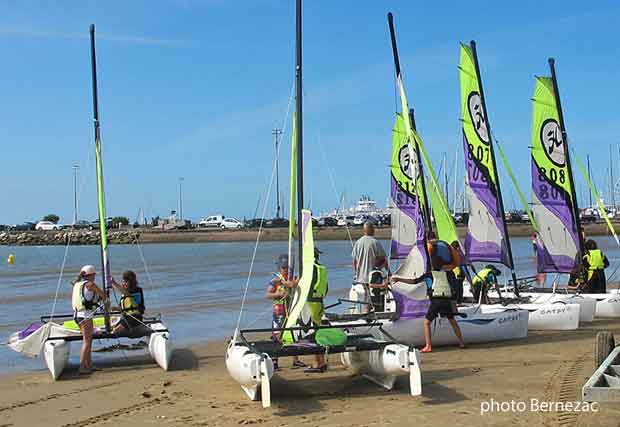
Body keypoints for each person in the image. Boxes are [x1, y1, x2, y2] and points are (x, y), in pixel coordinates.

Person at [391, 241, 465, 353]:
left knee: (426, 322)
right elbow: (453, 284)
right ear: (442, 265)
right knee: (452, 321)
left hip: (436, 301)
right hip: (446, 300)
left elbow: (414, 281)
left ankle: (428, 346)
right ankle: (461, 342)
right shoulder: (447, 273)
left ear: (432, 265)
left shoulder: (430, 274)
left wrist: (399, 279)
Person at [266, 254, 305, 370]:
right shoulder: (275, 280)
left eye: (287, 268)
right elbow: (268, 294)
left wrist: (291, 282)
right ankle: (275, 362)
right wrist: (278, 294)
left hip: (291, 309)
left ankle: (296, 360)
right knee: (277, 335)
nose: (285, 270)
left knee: (293, 333)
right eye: (283, 268)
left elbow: (294, 284)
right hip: (279, 311)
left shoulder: (292, 277)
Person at [71, 265, 108, 374]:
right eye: (94, 275)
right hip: (85, 316)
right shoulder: (90, 284)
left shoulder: (76, 284)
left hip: (77, 316)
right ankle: (82, 367)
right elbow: (104, 296)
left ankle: (89, 365)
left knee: (88, 341)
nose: (94, 277)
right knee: (87, 342)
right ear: (91, 275)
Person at [351, 222, 388, 313]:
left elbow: (354, 262)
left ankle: (366, 315)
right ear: (372, 230)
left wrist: (356, 273)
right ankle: (368, 317)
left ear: (364, 231)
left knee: (365, 300)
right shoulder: (375, 242)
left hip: (360, 278)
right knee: (370, 300)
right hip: (373, 277)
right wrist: (388, 274)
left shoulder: (358, 243)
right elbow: (383, 260)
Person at [304, 247, 329, 373]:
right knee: (318, 332)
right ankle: (322, 361)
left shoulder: (310, 268)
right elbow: (326, 289)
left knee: (312, 333)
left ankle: (317, 363)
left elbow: (305, 285)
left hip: (310, 302)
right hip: (319, 302)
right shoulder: (321, 268)